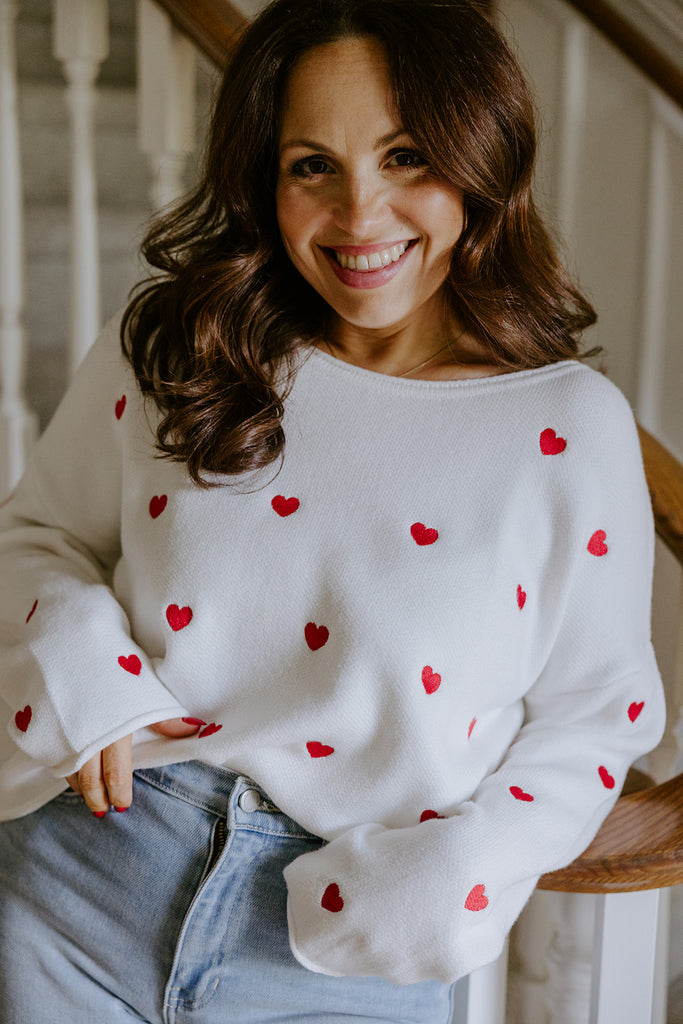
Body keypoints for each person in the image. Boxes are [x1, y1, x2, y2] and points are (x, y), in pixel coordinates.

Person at [0, 0, 666, 1021]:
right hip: (80, 879)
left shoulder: (566, 428)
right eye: (312, 164)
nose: (360, 215)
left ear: (478, 158)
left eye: (405, 157)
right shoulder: (182, 346)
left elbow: (598, 712)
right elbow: (37, 534)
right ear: (264, 178)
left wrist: (467, 866)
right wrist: (88, 675)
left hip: (339, 948)